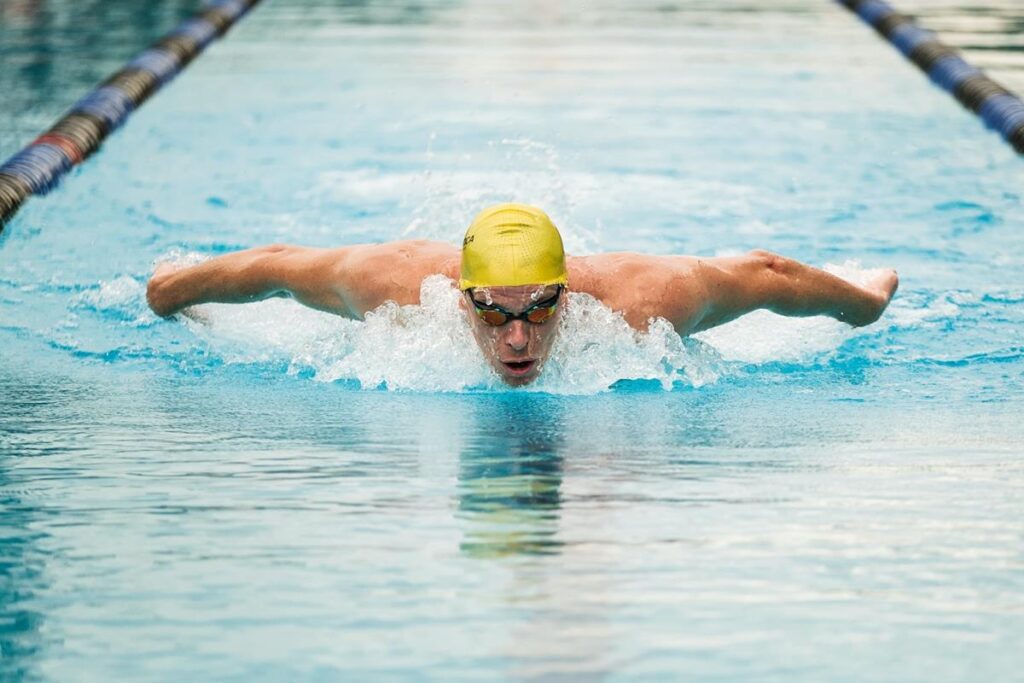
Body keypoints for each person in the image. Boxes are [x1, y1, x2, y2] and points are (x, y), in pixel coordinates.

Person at [146, 202, 899, 386]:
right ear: (460, 297)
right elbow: (279, 264)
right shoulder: (398, 286)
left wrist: (862, 301)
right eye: (494, 313)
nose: (516, 338)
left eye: (541, 308)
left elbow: (765, 274)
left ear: (567, 293)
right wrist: (170, 290)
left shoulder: (638, 302)